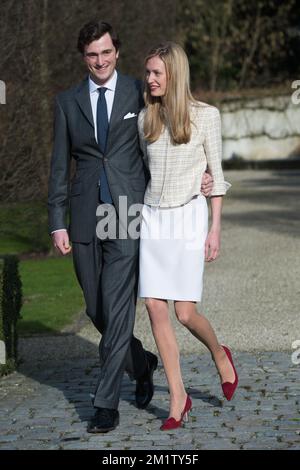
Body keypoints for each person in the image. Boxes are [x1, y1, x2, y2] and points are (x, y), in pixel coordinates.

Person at [48, 22, 214, 433]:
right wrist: (57, 222)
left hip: (130, 213)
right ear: (83, 57)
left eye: (106, 52)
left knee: (118, 306)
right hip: (86, 216)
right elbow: (58, 168)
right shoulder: (67, 103)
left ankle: (105, 403)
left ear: (116, 52)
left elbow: (178, 135)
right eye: (92, 55)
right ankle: (142, 363)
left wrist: (203, 175)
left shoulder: (141, 90)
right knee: (97, 309)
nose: (100, 61)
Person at [138, 42, 238, 431]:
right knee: (154, 306)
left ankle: (219, 353)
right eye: (147, 72)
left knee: (184, 312)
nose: (150, 79)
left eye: (157, 73)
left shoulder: (205, 116)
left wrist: (215, 228)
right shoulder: (145, 118)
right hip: (152, 219)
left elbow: (217, 175)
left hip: (189, 218)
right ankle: (178, 397)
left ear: (174, 75)